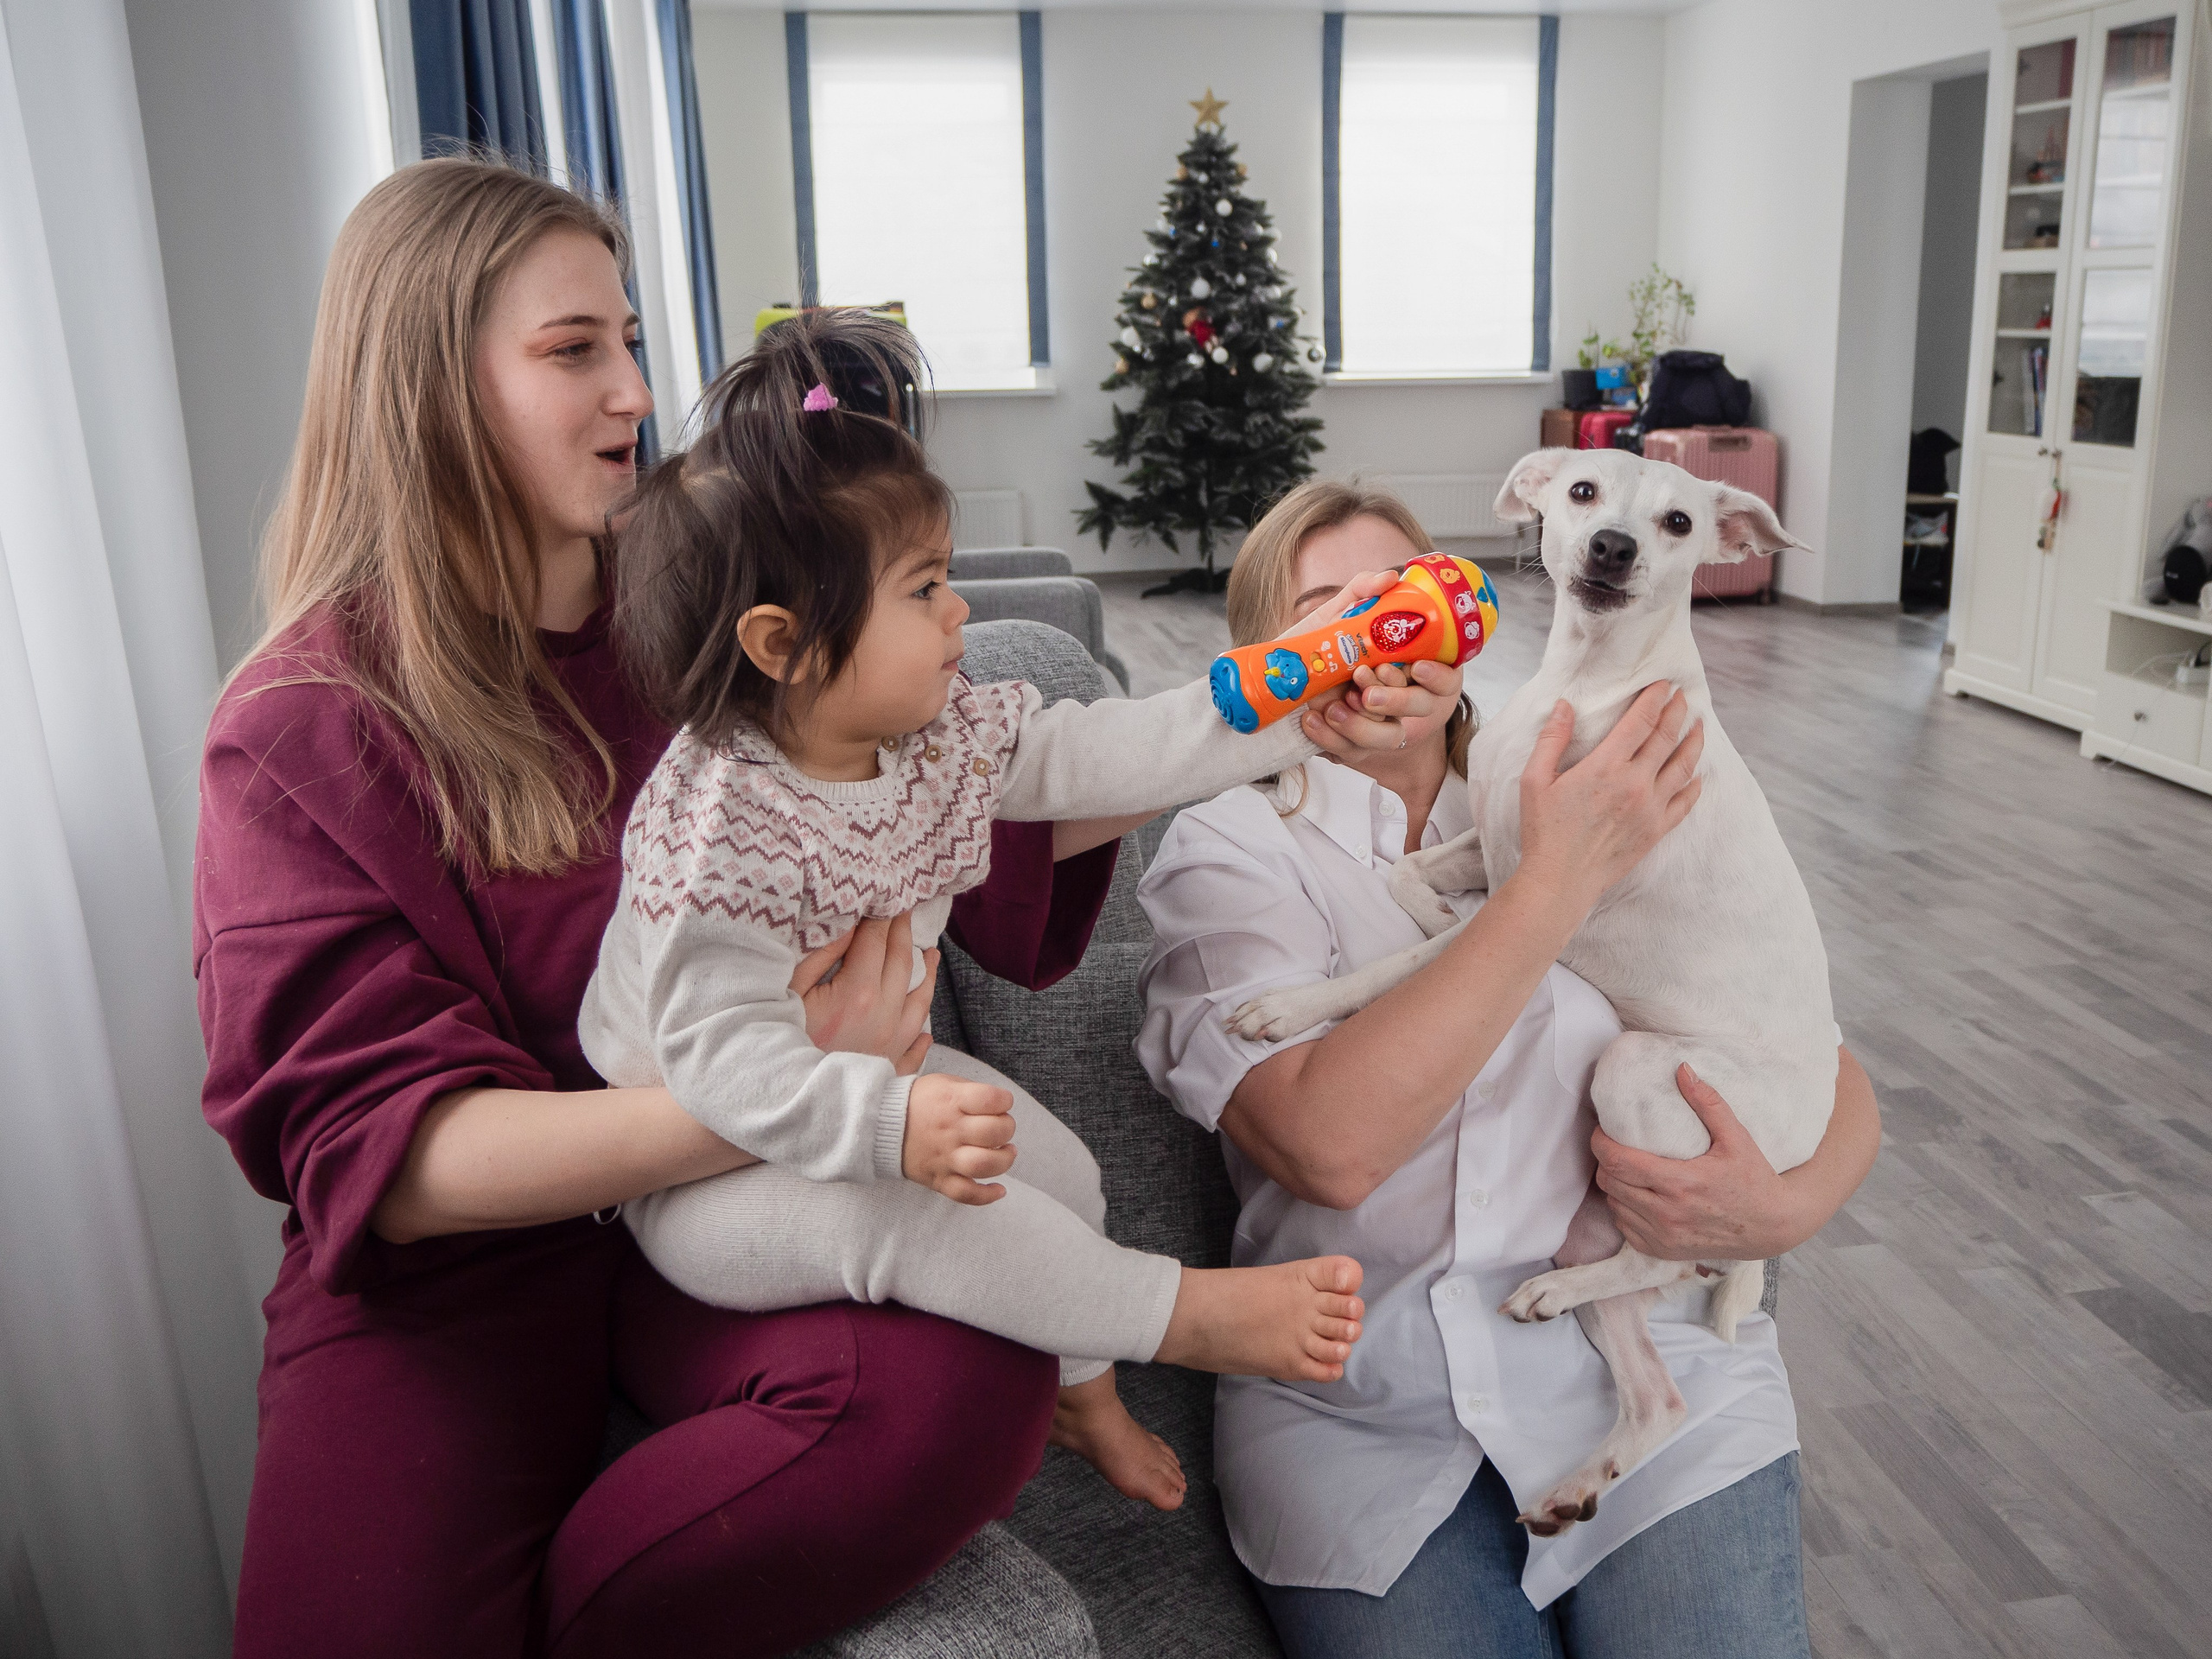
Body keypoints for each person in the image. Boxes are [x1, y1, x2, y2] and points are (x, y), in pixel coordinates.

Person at [197, 159, 1145, 1658]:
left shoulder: (710, 607)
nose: (637, 389)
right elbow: (392, 1158)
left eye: (631, 338)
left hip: (720, 1218)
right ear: (430, 386)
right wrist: (791, 1084)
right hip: (462, 1283)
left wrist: (1279, 718)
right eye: (575, 351)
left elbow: (969, 796)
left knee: (970, 1384)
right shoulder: (304, 725)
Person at [582, 312, 1402, 1512]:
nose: (960, 612)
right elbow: (718, 1066)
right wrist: (887, 1123)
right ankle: (1179, 1317)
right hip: (704, 1175)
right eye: (924, 589)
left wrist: (1292, 690)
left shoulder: (933, 729)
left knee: (1061, 1172)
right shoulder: (718, 834)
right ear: (786, 646)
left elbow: (1106, 753)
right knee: (918, 1219)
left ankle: (1085, 1391)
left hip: (868, 1083)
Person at [1135, 480, 1883, 1659]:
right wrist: (1556, 881)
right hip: (1367, 1423)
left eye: (1399, 597)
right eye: (1327, 611)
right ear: (1269, 660)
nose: (1376, 632)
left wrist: (1786, 1204)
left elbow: (1809, 1042)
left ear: (1460, 615)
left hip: (1651, 1372)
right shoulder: (1226, 853)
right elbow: (1329, 1146)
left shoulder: (1622, 773)